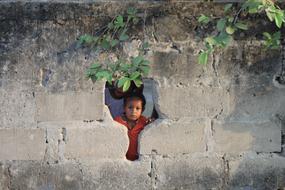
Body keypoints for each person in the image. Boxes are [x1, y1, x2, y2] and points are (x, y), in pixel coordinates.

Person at [114, 92, 153, 161]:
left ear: (142, 110)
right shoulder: (117, 122)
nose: (133, 111)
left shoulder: (144, 122)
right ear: (124, 108)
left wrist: (152, 124)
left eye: (137, 108)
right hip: (120, 159)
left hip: (138, 160)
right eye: (130, 107)